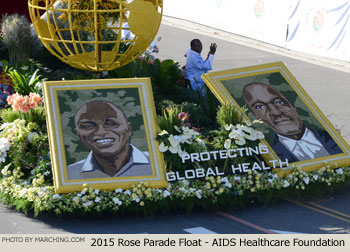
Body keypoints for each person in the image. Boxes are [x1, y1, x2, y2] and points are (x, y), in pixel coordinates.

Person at [242, 82, 342, 162]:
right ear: (254, 117)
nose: (276, 111)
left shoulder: (331, 137)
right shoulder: (267, 157)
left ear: (292, 105)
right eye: (260, 107)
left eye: (279, 102)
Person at [68, 100, 152, 179]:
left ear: (129, 129)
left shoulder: (158, 165)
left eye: (111, 124)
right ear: (78, 134)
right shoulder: (70, 174)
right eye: (88, 126)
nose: (101, 132)